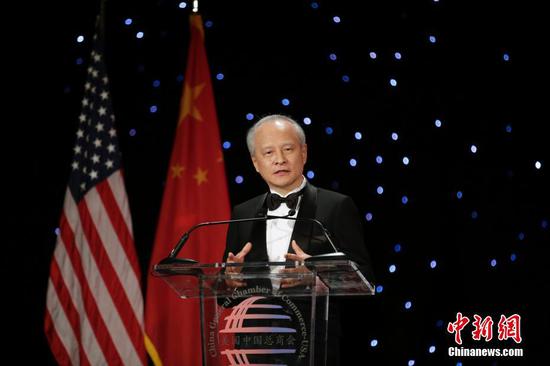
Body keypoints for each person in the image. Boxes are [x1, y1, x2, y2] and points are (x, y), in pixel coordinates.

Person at [222, 114, 374, 365]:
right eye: (268, 152)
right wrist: (231, 280)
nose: (279, 159)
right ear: (255, 163)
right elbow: (224, 291)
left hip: (314, 345)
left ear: (303, 153)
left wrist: (317, 273)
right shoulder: (243, 212)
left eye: (288, 149)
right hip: (254, 345)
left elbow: (365, 279)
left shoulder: (336, 206)